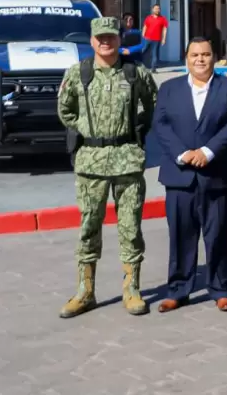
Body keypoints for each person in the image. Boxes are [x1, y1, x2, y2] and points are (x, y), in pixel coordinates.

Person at [57, 17, 158, 318]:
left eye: (111, 37)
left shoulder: (135, 73)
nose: (106, 42)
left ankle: (132, 289)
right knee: (89, 227)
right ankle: (85, 291)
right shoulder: (78, 73)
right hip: (91, 162)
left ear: (119, 39)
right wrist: (87, 131)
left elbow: (151, 105)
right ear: (91, 40)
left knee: (130, 227)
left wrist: (135, 132)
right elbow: (65, 109)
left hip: (127, 159)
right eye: (100, 37)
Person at [153, 37, 227, 313]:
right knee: (181, 235)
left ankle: (221, 288)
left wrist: (207, 151)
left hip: (219, 173)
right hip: (179, 174)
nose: (200, 59)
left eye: (206, 54)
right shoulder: (169, 89)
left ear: (214, 57)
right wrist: (183, 154)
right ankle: (178, 290)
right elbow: (160, 125)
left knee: (218, 234)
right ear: (186, 58)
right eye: (195, 54)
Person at [142, 3, 169, 72]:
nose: (157, 10)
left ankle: (153, 69)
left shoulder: (163, 19)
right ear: (153, 9)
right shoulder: (148, 18)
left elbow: (165, 29)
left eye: (159, 9)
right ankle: (138, 65)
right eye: (156, 8)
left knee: (155, 55)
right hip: (147, 38)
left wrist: (164, 39)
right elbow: (145, 27)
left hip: (156, 40)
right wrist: (143, 36)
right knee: (142, 51)